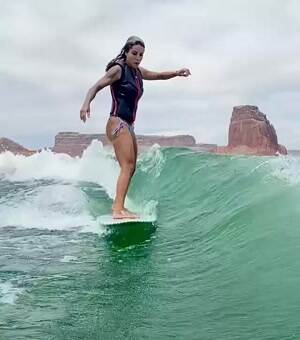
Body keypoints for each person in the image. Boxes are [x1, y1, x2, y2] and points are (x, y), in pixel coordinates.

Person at [80, 36, 191, 219]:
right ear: (126, 51)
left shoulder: (138, 72)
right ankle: (117, 210)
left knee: (131, 168)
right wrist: (86, 104)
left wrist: (177, 72)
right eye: (134, 53)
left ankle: (120, 207)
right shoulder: (118, 69)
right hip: (117, 122)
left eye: (141, 55)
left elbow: (158, 76)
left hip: (129, 125)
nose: (138, 57)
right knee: (127, 165)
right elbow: (96, 86)